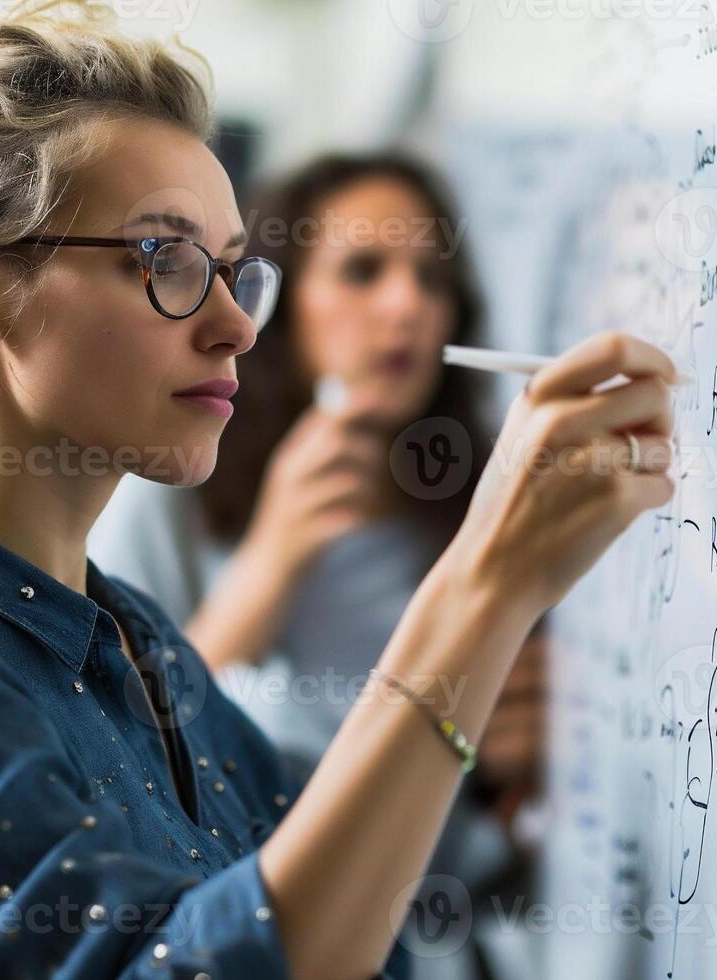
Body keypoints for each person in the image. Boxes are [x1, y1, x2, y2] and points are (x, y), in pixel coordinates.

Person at [0, 5, 679, 978]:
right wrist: (487, 585)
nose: (236, 326)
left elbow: (344, 913)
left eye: (235, 272)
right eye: (165, 259)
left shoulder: (133, 640)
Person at [89, 153, 546, 974]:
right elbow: (113, 758)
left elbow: (485, 823)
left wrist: (510, 775)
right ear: (279, 306)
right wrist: (266, 567)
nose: (405, 306)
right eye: (362, 271)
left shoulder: (481, 510)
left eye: (430, 278)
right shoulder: (170, 488)